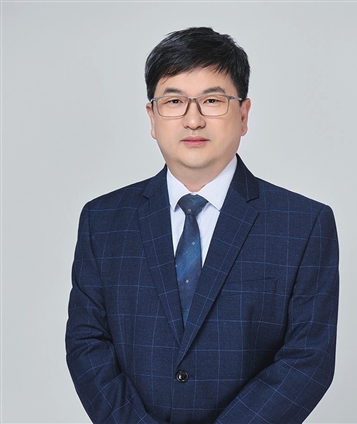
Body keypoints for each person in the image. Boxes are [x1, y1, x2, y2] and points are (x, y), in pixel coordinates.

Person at [66, 27, 339, 424]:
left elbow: (308, 359)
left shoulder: (303, 225)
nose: (193, 120)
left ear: (243, 114)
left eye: (212, 100)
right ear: (152, 117)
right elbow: (87, 342)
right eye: (174, 101)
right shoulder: (103, 221)